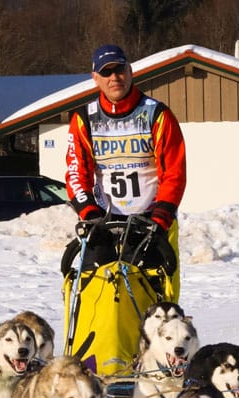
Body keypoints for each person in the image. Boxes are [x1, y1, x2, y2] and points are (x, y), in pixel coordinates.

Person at [66, 44, 187, 301]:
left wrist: (160, 219)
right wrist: (89, 214)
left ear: (130, 70)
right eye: (106, 72)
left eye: (119, 69)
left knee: (159, 304)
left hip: (151, 222)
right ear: (95, 77)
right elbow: (76, 173)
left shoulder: (157, 115)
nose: (114, 77)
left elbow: (174, 173)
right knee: (93, 297)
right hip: (104, 224)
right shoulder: (83, 119)